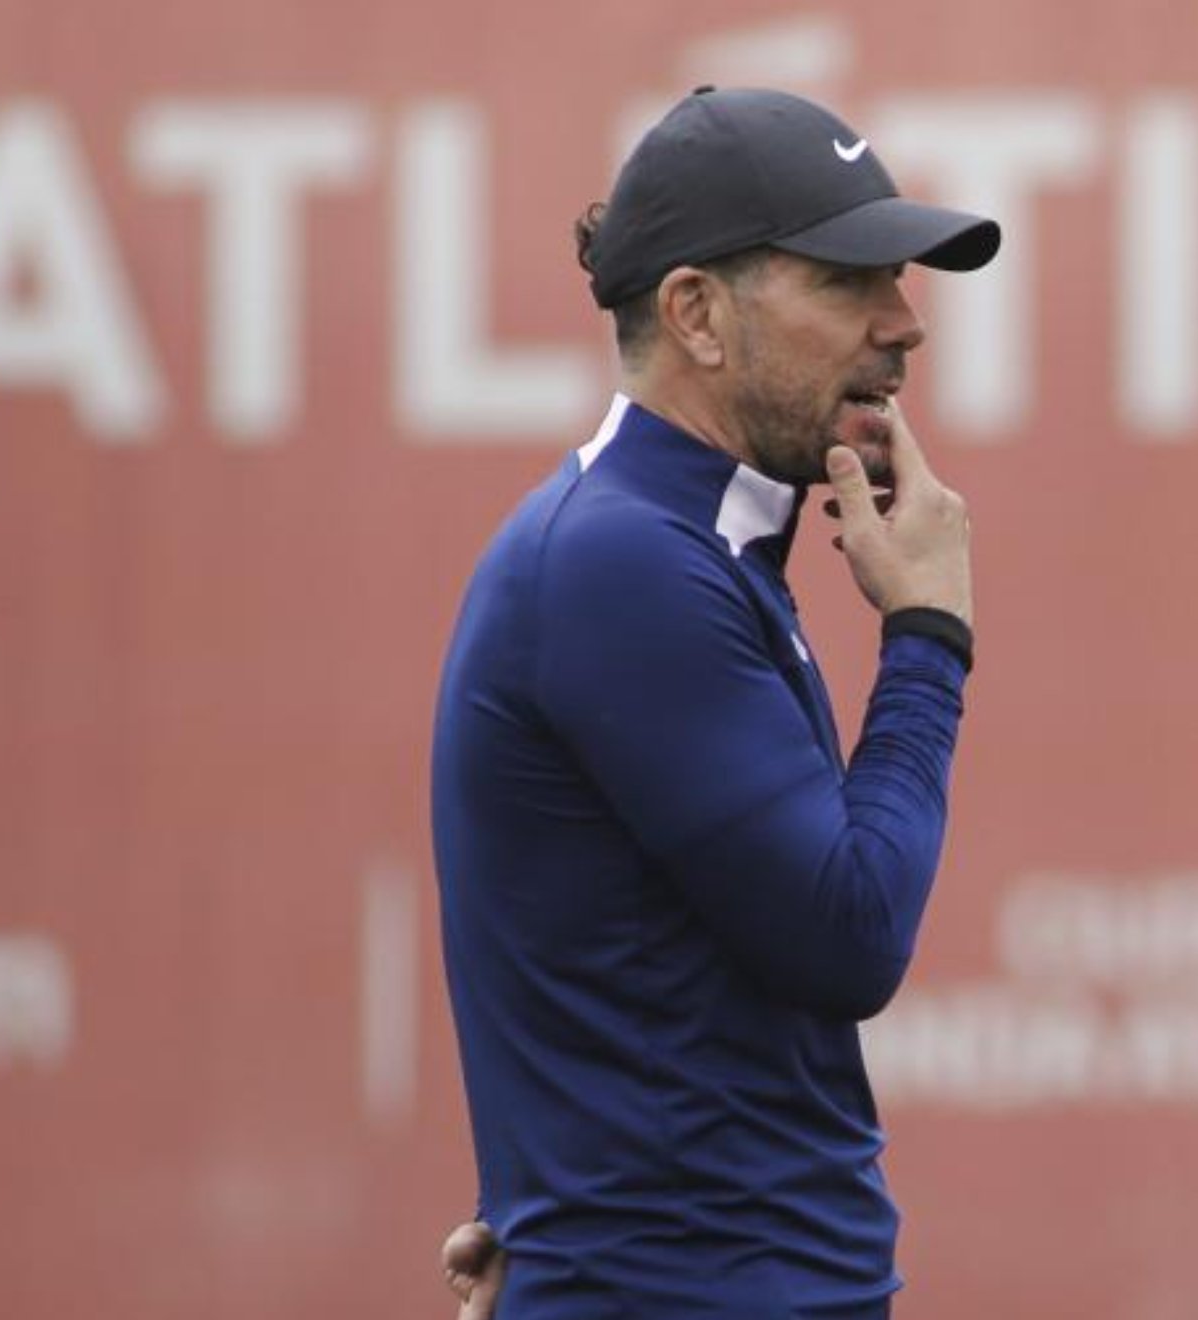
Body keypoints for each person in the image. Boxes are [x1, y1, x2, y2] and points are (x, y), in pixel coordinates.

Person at [429, 85, 1001, 1319]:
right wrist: (927, 636)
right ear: (696, 312)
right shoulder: (624, 561)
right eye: (851, 281)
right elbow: (850, 932)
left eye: (899, 282)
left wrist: (561, 1214)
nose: (905, 325)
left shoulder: (690, 546)